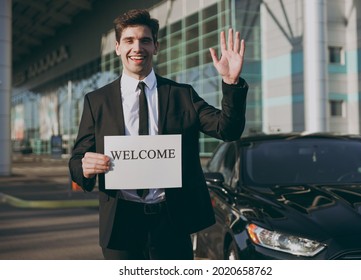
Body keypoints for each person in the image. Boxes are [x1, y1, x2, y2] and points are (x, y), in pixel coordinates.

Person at [69, 9, 248, 260]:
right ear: (118, 47)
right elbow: (77, 159)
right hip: (121, 222)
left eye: (145, 40)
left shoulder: (182, 95)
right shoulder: (96, 101)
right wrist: (85, 166)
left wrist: (231, 83)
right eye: (129, 41)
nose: (137, 47)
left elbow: (227, 129)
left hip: (171, 221)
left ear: (156, 46)